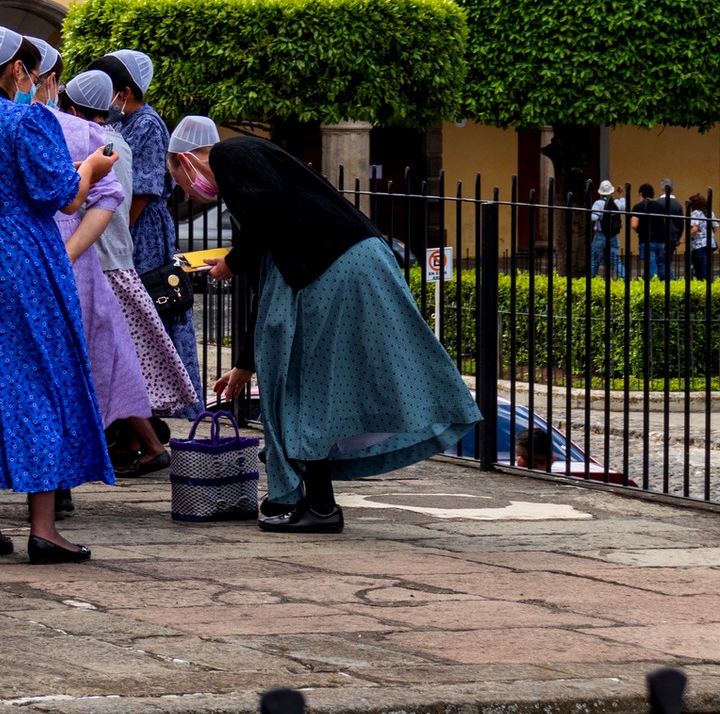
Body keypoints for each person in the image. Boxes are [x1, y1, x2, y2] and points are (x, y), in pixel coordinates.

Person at [178, 115, 482, 533]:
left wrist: (233, 261)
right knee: (304, 386)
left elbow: (265, 214)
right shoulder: (261, 200)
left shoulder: (232, 153)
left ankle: (319, 507)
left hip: (338, 267)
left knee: (302, 387)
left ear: (185, 160)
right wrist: (245, 364)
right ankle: (308, 500)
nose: (188, 194)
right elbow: (266, 294)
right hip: (345, 265)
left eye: (180, 182)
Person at [0, 24, 118, 563]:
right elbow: (63, 197)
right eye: (30, 70)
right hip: (18, 251)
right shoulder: (27, 119)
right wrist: (92, 167)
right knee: (38, 375)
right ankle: (43, 527)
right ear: (16, 69)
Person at [48, 69, 187, 478]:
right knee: (113, 360)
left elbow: (83, 202)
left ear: (72, 109)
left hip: (101, 263)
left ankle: (150, 444)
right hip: (117, 259)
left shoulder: (90, 143)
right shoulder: (118, 141)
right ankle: (133, 442)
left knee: (109, 362)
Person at [94, 50, 200, 407]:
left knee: (152, 308)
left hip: (142, 231)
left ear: (124, 92)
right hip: (125, 225)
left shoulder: (147, 125)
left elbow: (142, 191)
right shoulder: (126, 123)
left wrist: (118, 229)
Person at [634, 183, 681, 281]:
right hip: (661, 241)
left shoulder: (638, 207)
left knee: (651, 266)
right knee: (662, 264)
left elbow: (634, 225)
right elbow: (666, 223)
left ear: (641, 194)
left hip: (646, 240)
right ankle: (671, 283)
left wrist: (640, 230)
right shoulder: (660, 206)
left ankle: (652, 285)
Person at [589, 180, 627, 280]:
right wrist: (621, 194)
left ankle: (591, 280)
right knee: (616, 260)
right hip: (613, 235)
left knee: (595, 260)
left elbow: (593, 217)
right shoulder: (616, 203)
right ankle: (625, 279)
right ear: (611, 191)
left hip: (600, 235)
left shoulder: (598, 204)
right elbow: (624, 205)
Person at [689, 194, 714, 282]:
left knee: (700, 270)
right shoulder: (710, 213)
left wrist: (688, 238)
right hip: (709, 243)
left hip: (699, 245)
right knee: (707, 268)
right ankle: (708, 285)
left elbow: (694, 229)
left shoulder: (695, 213)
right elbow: (715, 227)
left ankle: (702, 286)